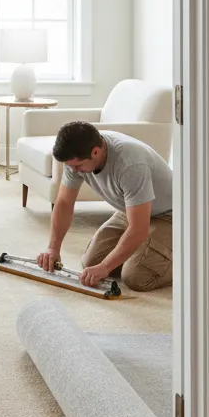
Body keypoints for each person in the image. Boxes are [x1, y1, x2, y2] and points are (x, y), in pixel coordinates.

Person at [36, 122, 173, 292]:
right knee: (91, 264)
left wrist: (106, 267)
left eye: (77, 166)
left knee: (135, 277)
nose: (74, 171)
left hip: (170, 216)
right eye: (70, 166)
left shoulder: (131, 163)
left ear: (95, 152)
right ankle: (151, 250)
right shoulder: (78, 155)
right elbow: (64, 203)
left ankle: (186, 258)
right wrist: (53, 248)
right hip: (131, 209)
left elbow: (139, 228)